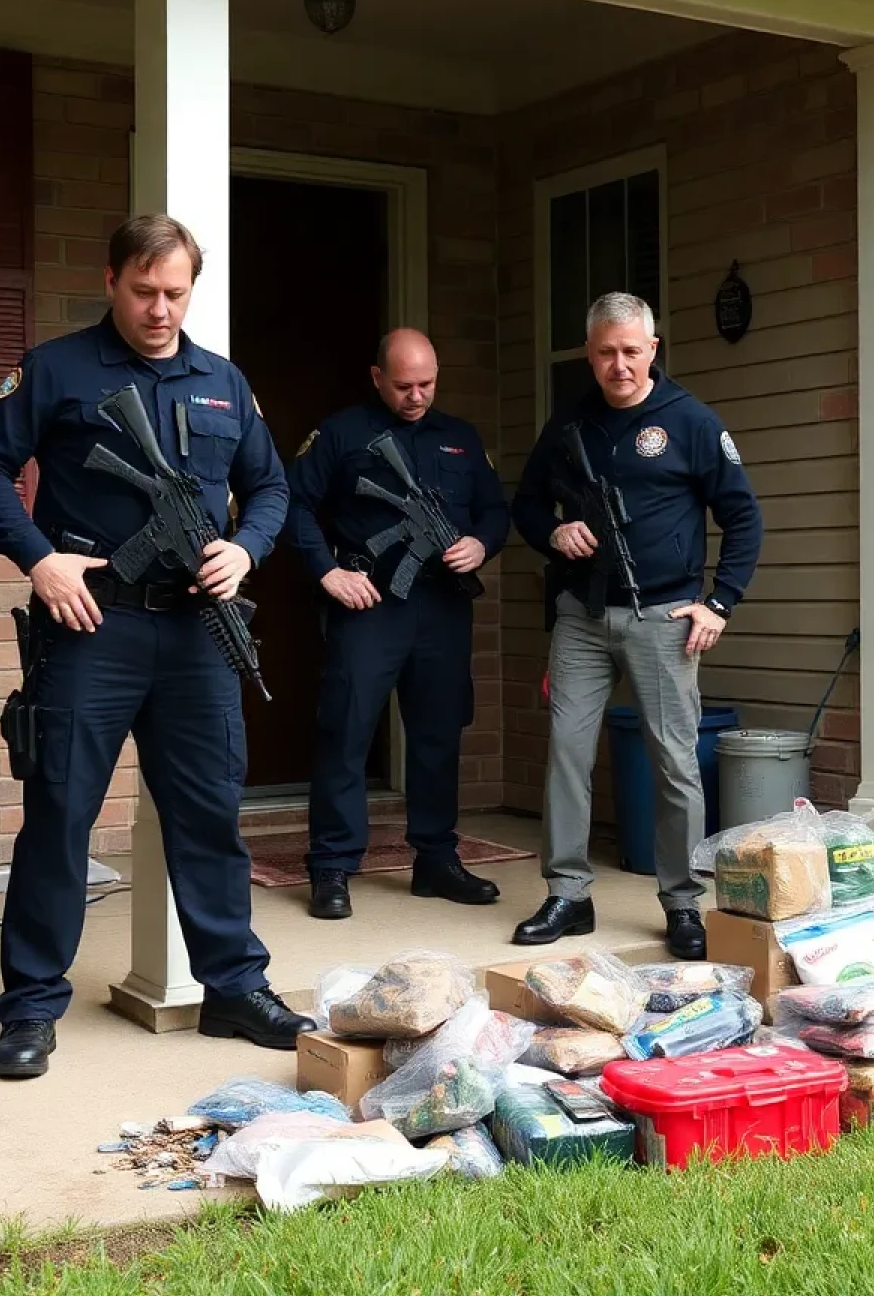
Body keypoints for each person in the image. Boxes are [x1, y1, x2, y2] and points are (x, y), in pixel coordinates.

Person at [0, 215, 315, 1078]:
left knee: (207, 816)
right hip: (92, 626)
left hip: (197, 632)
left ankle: (231, 987)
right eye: (145, 291)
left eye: (176, 293)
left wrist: (247, 547)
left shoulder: (224, 381)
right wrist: (41, 562)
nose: (160, 309)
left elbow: (270, 486)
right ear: (113, 279)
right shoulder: (56, 369)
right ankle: (32, 1008)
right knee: (60, 815)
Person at [510, 291, 763, 961]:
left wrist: (721, 602)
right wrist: (553, 531)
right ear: (589, 354)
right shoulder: (571, 422)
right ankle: (568, 892)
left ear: (652, 349)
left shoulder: (691, 422)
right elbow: (528, 503)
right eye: (605, 352)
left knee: (674, 763)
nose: (618, 364)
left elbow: (744, 518)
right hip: (582, 618)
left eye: (630, 350)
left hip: (665, 619)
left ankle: (683, 903)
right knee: (566, 751)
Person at [285, 329, 510, 920]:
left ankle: (435, 859)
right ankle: (332, 865)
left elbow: (495, 509)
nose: (417, 396)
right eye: (405, 385)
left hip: (441, 606)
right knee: (346, 730)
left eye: (427, 384)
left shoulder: (460, 437)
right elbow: (293, 504)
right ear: (377, 377)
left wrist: (480, 544)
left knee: (439, 732)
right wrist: (327, 572)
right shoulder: (341, 434)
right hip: (369, 602)